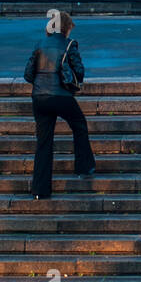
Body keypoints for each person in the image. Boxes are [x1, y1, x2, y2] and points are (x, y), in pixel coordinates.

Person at [24, 11, 95, 199]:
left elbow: (28, 74)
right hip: (60, 95)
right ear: (66, 27)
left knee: (43, 143)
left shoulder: (39, 44)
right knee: (79, 124)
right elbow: (79, 72)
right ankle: (84, 167)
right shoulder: (69, 44)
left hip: (39, 97)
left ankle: (40, 190)